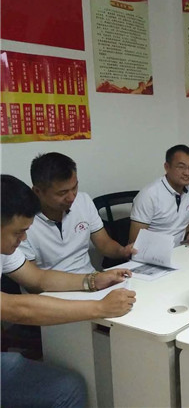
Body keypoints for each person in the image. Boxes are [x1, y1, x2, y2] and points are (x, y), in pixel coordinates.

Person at [1, 174, 136, 407]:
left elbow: (38, 277)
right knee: (68, 390)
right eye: (17, 232)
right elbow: (14, 308)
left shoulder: (5, 250)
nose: (23, 238)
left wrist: (93, 280)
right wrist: (100, 307)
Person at [19, 153, 135, 274]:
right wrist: (89, 281)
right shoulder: (22, 223)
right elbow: (33, 278)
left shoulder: (83, 200)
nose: (71, 197)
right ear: (37, 191)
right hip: (53, 284)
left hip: (91, 278)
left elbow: (105, 244)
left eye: (74, 188)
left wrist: (123, 251)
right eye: (62, 193)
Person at [129, 145, 189, 246]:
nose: (187, 173)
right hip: (154, 252)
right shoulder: (149, 195)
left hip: (181, 249)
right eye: (181, 167)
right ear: (167, 167)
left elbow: (187, 221)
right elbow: (134, 243)